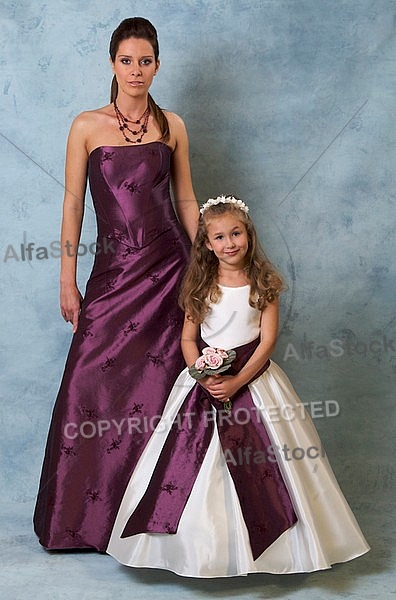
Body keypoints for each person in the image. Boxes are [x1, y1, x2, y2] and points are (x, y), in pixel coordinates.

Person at [106, 195, 370, 577]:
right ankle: (199, 552)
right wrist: (204, 374)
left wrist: (237, 382)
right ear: (207, 245)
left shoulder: (264, 283)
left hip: (255, 382)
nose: (229, 243)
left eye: (236, 233)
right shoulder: (201, 285)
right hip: (204, 383)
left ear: (248, 234)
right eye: (219, 237)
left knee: (275, 461)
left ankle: (283, 547)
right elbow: (186, 340)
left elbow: (266, 343)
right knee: (191, 464)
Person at [33, 17, 199, 551]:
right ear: (111, 63)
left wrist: (208, 263)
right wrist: (66, 275)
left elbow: (187, 200)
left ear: (157, 64)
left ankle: (158, 517)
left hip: (171, 269)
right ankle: (79, 522)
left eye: (145, 61)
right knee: (90, 381)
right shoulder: (86, 125)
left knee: (164, 390)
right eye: (126, 61)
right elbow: (73, 203)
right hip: (112, 273)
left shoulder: (172, 124)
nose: (136, 71)